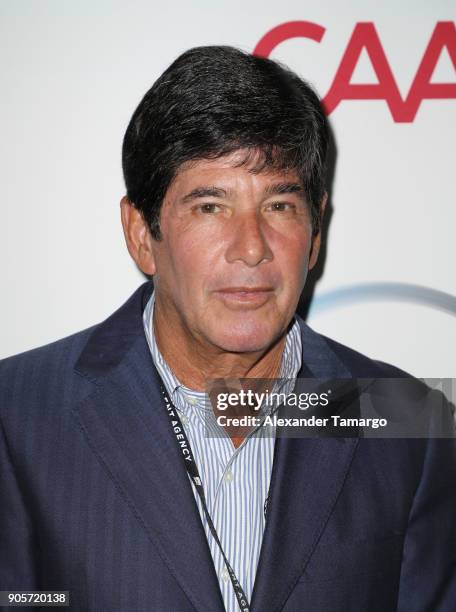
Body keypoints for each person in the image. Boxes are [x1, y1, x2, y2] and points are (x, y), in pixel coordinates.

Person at [0, 46, 454, 612]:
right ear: (142, 232)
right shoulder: (18, 416)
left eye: (280, 206)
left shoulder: (415, 428)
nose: (251, 248)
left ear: (315, 232)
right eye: (210, 206)